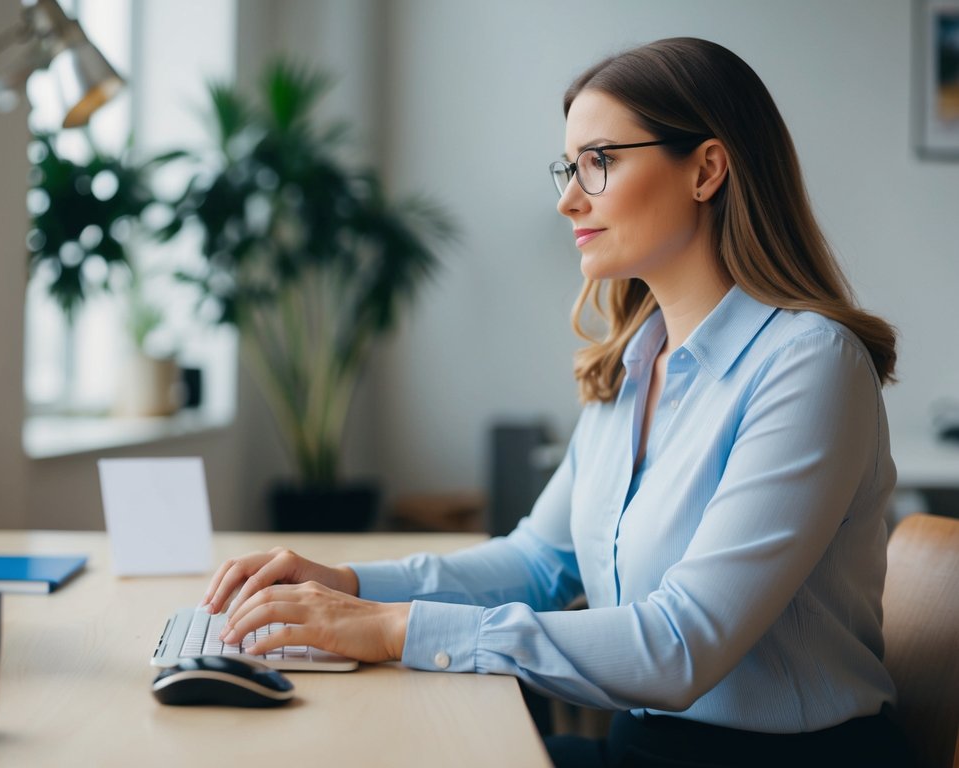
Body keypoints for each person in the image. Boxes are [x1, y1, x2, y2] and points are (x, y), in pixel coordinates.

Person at [199, 37, 913, 767]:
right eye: (568, 168)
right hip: (644, 749)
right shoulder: (630, 365)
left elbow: (679, 646)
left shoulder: (808, 365)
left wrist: (390, 628)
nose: (568, 197)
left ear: (705, 170)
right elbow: (538, 564)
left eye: (599, 161)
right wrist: (344, 586)